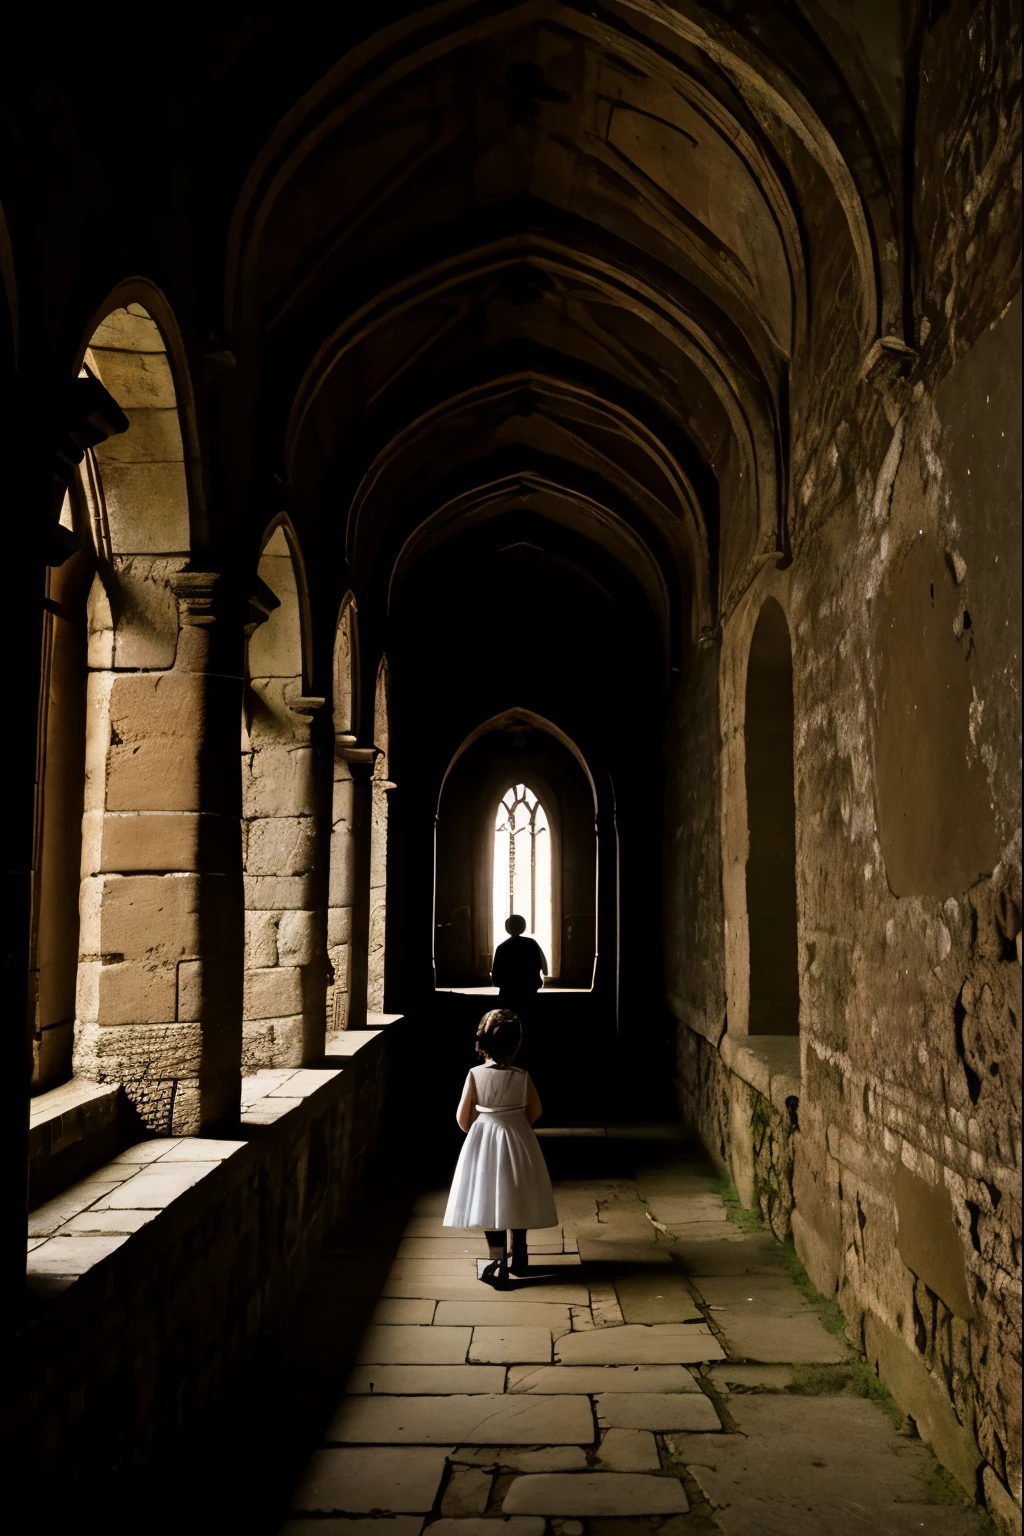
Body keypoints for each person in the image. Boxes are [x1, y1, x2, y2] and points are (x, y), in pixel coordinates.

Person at [443, 1008, 558, 1287]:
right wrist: (517, 1124)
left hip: (484, 1137)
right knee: (517, 1194)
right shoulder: (522, 1076)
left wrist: (481, 1132)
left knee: (486, 1197)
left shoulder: (474, 1074)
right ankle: (520, 1253)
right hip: (517, 1135)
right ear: (516, 1045)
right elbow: (537, 1110)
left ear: (482, 1045)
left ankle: (497, 1258)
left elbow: (462, 1118)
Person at [491, 914, 547, 1014]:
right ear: (523, 927)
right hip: (529, 990)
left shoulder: (502, 947)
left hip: (508, 992)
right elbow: (540, 966)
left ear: (508, 928)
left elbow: (496, 976)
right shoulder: (532, 943)